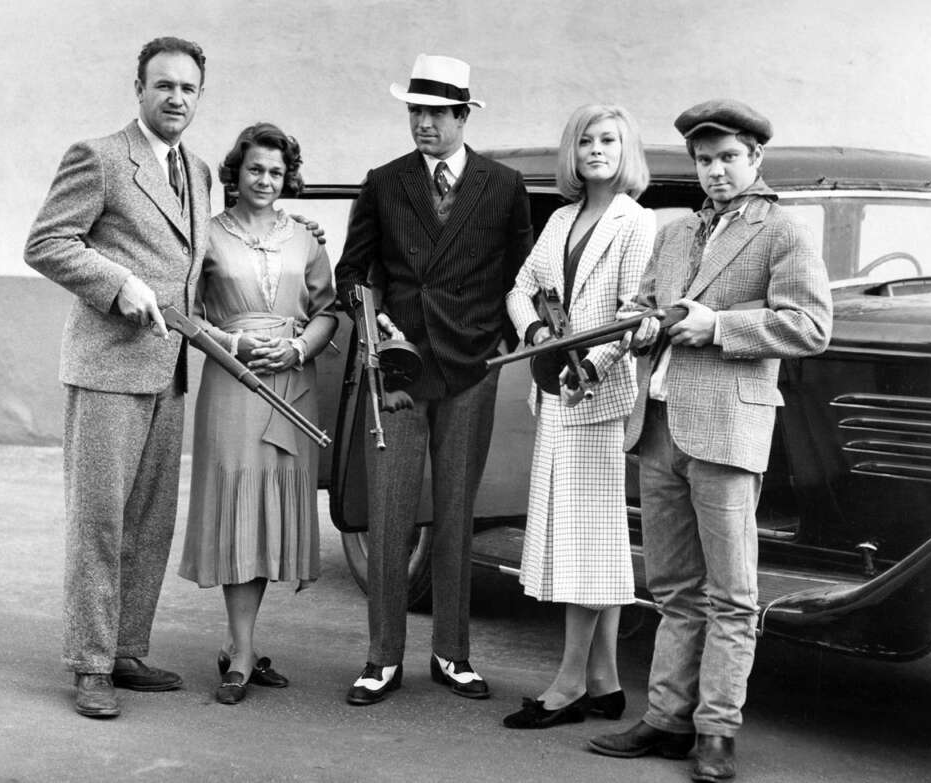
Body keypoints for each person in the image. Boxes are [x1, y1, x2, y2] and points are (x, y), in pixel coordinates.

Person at [588, 100, 832, 781]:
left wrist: (718, 326)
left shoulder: (781, 232)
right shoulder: (674, 234)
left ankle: (717, 729)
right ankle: (666, 718)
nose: (715, 171)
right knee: (672, 588)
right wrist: (638, 326)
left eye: (728, 157)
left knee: (732, 593)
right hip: (660, 426)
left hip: (727, 431)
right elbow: (640, 307)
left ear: (756, 158)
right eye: (704, 160)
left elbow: (810, 325)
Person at [335, 53, 533, 705]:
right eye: (414, 111)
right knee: (390, 512)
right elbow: (352, 271)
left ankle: (452, 653)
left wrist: (499, 340)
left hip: (470, 367)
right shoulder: (384, 182)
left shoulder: (502, 187)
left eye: (434, 113)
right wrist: (374, 326)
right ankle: (382, 657)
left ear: (461, 116)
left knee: (455, 512)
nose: (421, 123)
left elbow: (521, 277)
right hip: (397, 367)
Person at [24, 37, 211, 718]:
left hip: (169, 371)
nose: (175, 99)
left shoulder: (202, 171)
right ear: (138, 87)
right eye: (163, 85)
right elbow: (46, 242)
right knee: (99, 521)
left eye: (187, 88)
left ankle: (126, 647)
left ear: (199, 96)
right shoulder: (99, 157)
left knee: (149, 521)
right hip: (108, 367)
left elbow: (195, 262)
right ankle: (90, 664)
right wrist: (117, 284)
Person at [501, 104, 655, 729]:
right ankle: (604, 682)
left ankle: (566, 685)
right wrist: (538, 332)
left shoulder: (636, 223)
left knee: (587, 543)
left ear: (627, 150)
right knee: (594, 542)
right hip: (555, 393)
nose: (596, 149)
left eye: (609, 139)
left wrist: (585, 365)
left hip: (594, 396)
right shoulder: (562, 218)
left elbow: (631, 312)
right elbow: (519, 288)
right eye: (586, 140)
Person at [178, 123, 337, 705]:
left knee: (270, 510)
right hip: (234, 381)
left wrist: (298, 347)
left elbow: (326, 311)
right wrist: (235, 344)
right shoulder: (208, 237)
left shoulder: (306, 238)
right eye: (255, 170)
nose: (265, 180)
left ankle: (239, 643)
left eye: (275, 171)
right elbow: (186, 313)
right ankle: (242, 652)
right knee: (240, 505)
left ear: (286, 177)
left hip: (293, 382)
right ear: (236, 174)